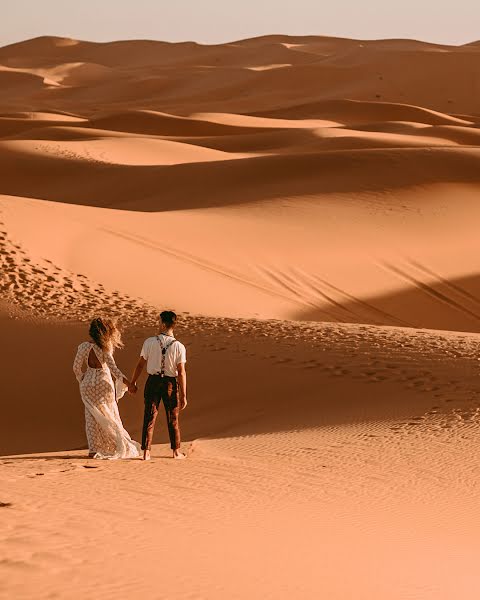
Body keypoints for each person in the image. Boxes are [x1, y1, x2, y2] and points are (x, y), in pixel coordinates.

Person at [73, 317, 141, 460]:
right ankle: (116, 445)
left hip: (88, 386)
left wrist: (82, 378)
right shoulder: (105, 348)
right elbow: (114, 370)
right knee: (110, 416)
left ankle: (93, 450)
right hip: (103, 384)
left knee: (91, 417)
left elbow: (76, 368)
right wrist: (129, 385)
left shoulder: (83, 347)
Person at [130, 310, 187, 461]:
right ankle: (176, 452)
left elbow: (140, 364)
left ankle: (146, 452)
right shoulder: (179, 347)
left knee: (149, 416)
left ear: (163, 323)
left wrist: (133, 382)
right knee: (172, 417)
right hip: (170, 383)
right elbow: (181, 372)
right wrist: (183, 395)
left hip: (153, 381)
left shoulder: (149, 342)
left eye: (159, 321)